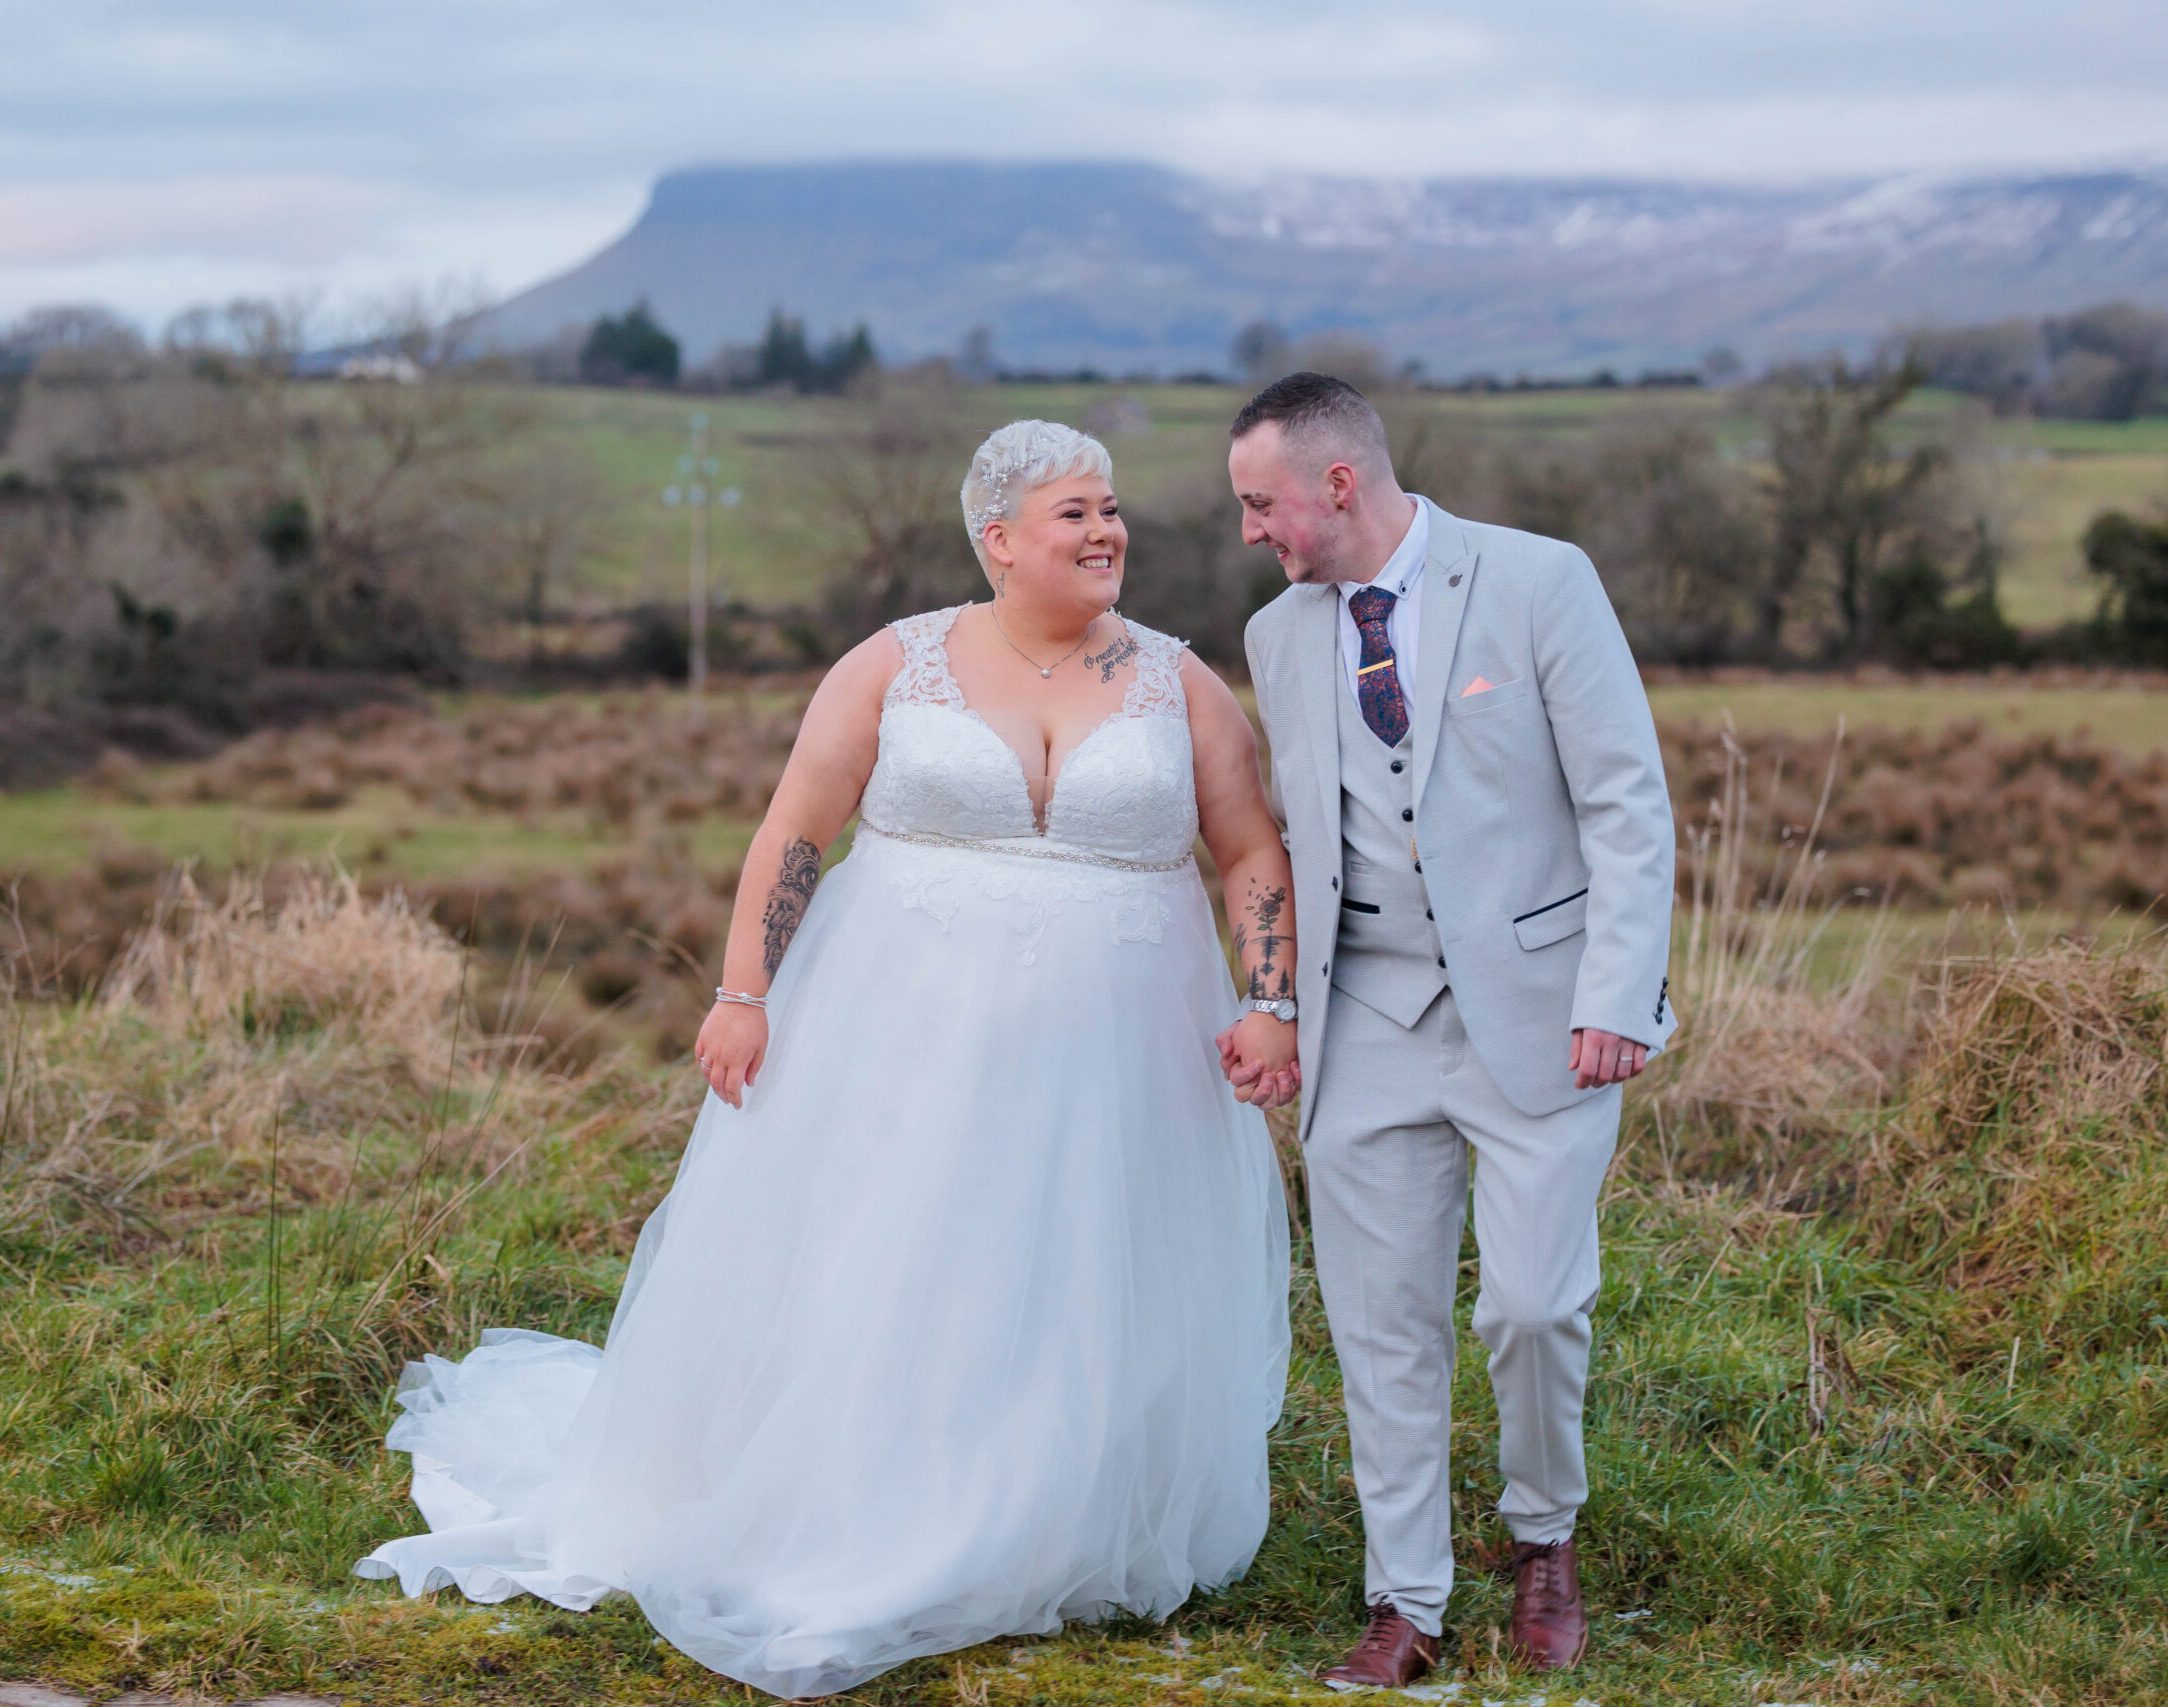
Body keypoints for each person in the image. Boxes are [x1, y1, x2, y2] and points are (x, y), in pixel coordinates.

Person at [356, 419, 1302, 1700]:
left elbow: (1247, 848)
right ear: (998, 538)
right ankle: (870, 1508)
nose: (1105, 532)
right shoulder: (896, 664)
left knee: (1086, 1261)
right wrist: (742, 993)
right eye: (1074, 513)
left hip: (1120, 1048)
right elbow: (795, 829)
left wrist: (1270, 1000)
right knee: (900, 1251)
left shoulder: (1177, 683)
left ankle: (1052, 1514)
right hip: (904, 1031)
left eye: (1111, 509)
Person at [1225, 372, 1677, 1688]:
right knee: (1381, 1326)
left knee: (1533, 1307)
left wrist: (1617, 991)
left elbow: (1626, 800)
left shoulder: (1540, 581)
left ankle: (1543, 1538)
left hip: (1543, 1014)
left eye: (1261, 502)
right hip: (1366, 1018)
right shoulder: (1276, 636)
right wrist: (1277, 1004)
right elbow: (1295, 840)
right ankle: (1406, 1598)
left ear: (1338, 484)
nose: (1251, 530)